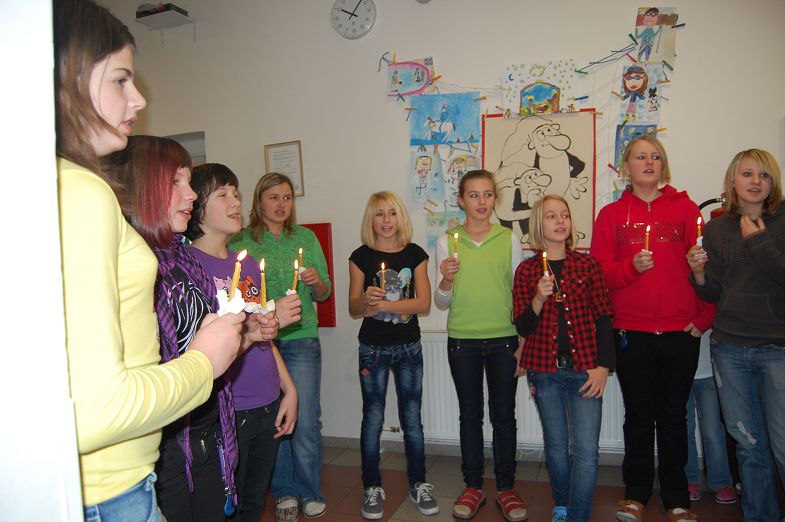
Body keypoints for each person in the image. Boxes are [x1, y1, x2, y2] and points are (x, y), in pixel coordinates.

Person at [55, 1, 245, 520]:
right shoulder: (82, 194)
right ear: (67, 80)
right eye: (120, 79)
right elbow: (97, 408)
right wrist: (204, 362)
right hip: (111, 488)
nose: (138, 98)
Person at [109, 136, 280, 521]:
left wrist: (248, 336)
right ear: (141, 187)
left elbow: (206, 355)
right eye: (176, 182)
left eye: (189, 182)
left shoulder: (184, 264)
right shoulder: (132, 265)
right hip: (168, 443)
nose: (190, 194)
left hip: (207, 426)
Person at [591, 135, 711, 522]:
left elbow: (707, 270)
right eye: (640, 156)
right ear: (626, 166)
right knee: (639, 417)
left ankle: (677, 498)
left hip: (681, 333)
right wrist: (631, 269)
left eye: (655, 156)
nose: (648, 162)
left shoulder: (686, 209)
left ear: (663, 165)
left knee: (674, 418)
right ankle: (636, 494)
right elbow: (599, 274)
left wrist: (703, 319)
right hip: (631, 332)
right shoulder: (611, 215)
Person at [186, 163, 301, 522]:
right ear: (198, 208)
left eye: (235, 193)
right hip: (229, 408)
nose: (236, 202)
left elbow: (264, 335)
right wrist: (256, 329)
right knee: (228, 508)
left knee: (254, 505)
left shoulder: (247, 264)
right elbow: (203, 355)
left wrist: (288, 389)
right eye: (223, 194)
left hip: (267, 400)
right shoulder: (189, 268)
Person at [687, 149, 785, 522]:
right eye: (747, 174)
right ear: (733, 181)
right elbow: (713, 292)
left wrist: (758, 241)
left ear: (773, 182)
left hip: (777, 348)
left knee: (783, 445)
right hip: (729, 349)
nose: (755, 181)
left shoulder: (781, 223)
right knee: (748, 446)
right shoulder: (716, 229)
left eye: (764, 174)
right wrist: (698, 273)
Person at [230, 172, 332, 521]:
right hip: (260, 342)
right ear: (259, 201)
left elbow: (324, 293)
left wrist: (316, 282)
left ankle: (309, 490)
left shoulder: (305, 238)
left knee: (305, 419)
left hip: (301, 339)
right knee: (272, 421)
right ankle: (284, 491)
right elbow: (235, 296)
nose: (281, 204)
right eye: (274, 197)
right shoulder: (241, 241)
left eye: (287, 197)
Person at [513, 195, 614, 522]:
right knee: (556, 446)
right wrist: (538, 299)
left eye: (565, 215)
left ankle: (579, 514)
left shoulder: (588, 265)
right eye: (551, 216)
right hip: (544, 372)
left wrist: (603, 367)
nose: (560, 221)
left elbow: (604, 317)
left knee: (586, 450)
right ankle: (562, 504)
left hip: (585, 370)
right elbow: (523, 326)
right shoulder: (527, 270)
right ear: (538, 224)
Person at [434, 170, 527, 522]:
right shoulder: (448, 241)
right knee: (470, 416)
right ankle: (473, 485)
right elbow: (442, 301)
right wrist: (446, 279)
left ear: (495, 198)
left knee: (504, 416)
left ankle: (506, 487)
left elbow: (519, 294)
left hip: (504, 340)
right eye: (473, 195)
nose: (481, 201)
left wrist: (523, 341)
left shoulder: (508, 238)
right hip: (463, 341)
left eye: (487, 194)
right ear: (461, 200)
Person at [348, 191, 438, 520]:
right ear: (370, 220)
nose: (386, 220)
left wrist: (383, 305)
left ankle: (419, 483)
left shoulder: (415, 254)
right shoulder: (360, 256)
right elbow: (354, 307)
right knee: (372, 419)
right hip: (372, 350)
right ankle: (372, 486)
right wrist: (366, 301)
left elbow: (423, 303)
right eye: (379, 214)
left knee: (412, 419)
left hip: (408, 347)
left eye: (392, 213)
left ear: (401, 217)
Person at [684, 329, 737, 505]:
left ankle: (721, 482)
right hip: (679, 373)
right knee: (684, 428)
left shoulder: (710, 309)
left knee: (713, 430)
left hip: (708, 372)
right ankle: (689, 479)